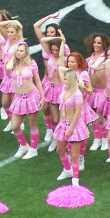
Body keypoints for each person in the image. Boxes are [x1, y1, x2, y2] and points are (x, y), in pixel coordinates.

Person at [33, 12, 70, 144]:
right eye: (47, 32)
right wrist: (49, 17)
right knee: (46, 108)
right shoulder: (46, 46)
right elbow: (36, 27)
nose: (48, 34)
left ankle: (59, 135)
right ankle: (50, 130)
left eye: (51, 32)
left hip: (59, 84)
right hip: (47, 81)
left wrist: (60, 40)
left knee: (60, 113)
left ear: (57, 34)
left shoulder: (62, 48)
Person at [58, 52, 98, 171]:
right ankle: (72, 156)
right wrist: (72, 72)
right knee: (71, 135)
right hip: (68, 106)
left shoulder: (84, 74)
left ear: (78, 62)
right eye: (69, 61)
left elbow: (90, 91)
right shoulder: (68, 73)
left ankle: (80, 157)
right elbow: (60, 68)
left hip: (81, 106)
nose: (70, 64)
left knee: (80, 134)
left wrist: (83, 86)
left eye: (72, 62)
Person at [6, 43, 44, 159]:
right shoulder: (12, 64)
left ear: (26, 52)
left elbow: (37, 81)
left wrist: (42, 97)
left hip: (31, 96)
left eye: (21, 51)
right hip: (18, 97)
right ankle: (23, 145)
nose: (18, 52)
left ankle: (33, 149)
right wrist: (14, 57)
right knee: (15, 126)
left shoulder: (32, 64)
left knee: (32, 124)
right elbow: (7, 69)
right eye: (17, 50)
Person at [53, 69, 90, 186]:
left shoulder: (77, 94)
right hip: (63, 123)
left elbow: (77, 114)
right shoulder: (64, 89)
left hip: (74, 126)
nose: (64, 81)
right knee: (60, 150)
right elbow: (60, 68)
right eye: (64, 79)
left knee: (74, 155)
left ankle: (75, 179)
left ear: (73, 80)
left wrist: (70, 129)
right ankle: (67, 169)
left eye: (67, 80)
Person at [84, 32, 110, 151]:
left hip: (102, 91)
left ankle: (105, 139)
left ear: (104, 44)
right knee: (93, 117)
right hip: (92, 91)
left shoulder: (105, 57)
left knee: (101, 117)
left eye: (99, 43)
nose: (96, 44)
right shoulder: (92, 55)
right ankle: (97, 139)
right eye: (95, 42)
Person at [40, 30, 67, 152]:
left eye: (57, 50)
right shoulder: (49, 55)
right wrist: (57, 37)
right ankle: (55, 137)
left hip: (61, 90)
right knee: (55, 119)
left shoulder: (63, 58)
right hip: (50, 89)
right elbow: (42, 40)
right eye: (53, 50)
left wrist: (63, 40)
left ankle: (63, 139)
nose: (55, 52)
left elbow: (61, 55)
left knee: (63, 118)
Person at [0, 20, 25, 132]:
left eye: (11, 32)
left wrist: (16, 22)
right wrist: (13, 21)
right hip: (7, 76)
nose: (8, 34)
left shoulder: (21, 44)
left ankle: (20, 123)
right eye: (8, 31)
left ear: (17, 33)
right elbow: (0, 25)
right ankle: (12, 121)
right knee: (5, 103)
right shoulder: (8, 41)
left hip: (15, 76)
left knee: (15, 103)